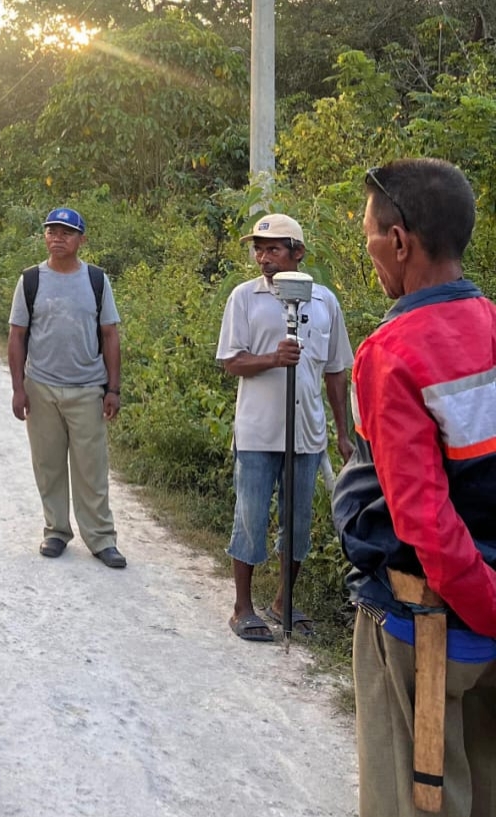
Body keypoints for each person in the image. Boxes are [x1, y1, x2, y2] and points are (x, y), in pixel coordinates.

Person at [333, 159, 496, 817]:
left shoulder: (391, 350)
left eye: (370, 234)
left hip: (423, 624)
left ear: (399, 241)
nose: (369, 250)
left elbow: (426, 523)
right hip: (486, 627)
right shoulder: (492, 322)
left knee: (412, 799)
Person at [216, 214, 354, 642]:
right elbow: (231, 361)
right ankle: (242, 607)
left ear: (298, 253)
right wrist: (273, 360)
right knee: (251, 518)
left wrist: (343, 433)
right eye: (258, 249)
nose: (263, 257)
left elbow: (336, 371)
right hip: (258, 431)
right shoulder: (245, 297)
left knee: (297, 524)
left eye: (273, 249)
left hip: (306, 432)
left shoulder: (324, 302)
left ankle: (283, 602)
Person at [8, 207, 126, 568]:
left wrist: (113, 389)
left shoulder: (96, 280)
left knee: (92, 469)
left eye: (66, 232)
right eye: (52, 231)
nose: (58, 238)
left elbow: (110, 335)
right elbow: (17, 336)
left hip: (87, 388)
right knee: (48, 465)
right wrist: (18, 388)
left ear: (81, 239)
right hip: (41, 387)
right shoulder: (30, 280)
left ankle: (101, 538)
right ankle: (56, 531)